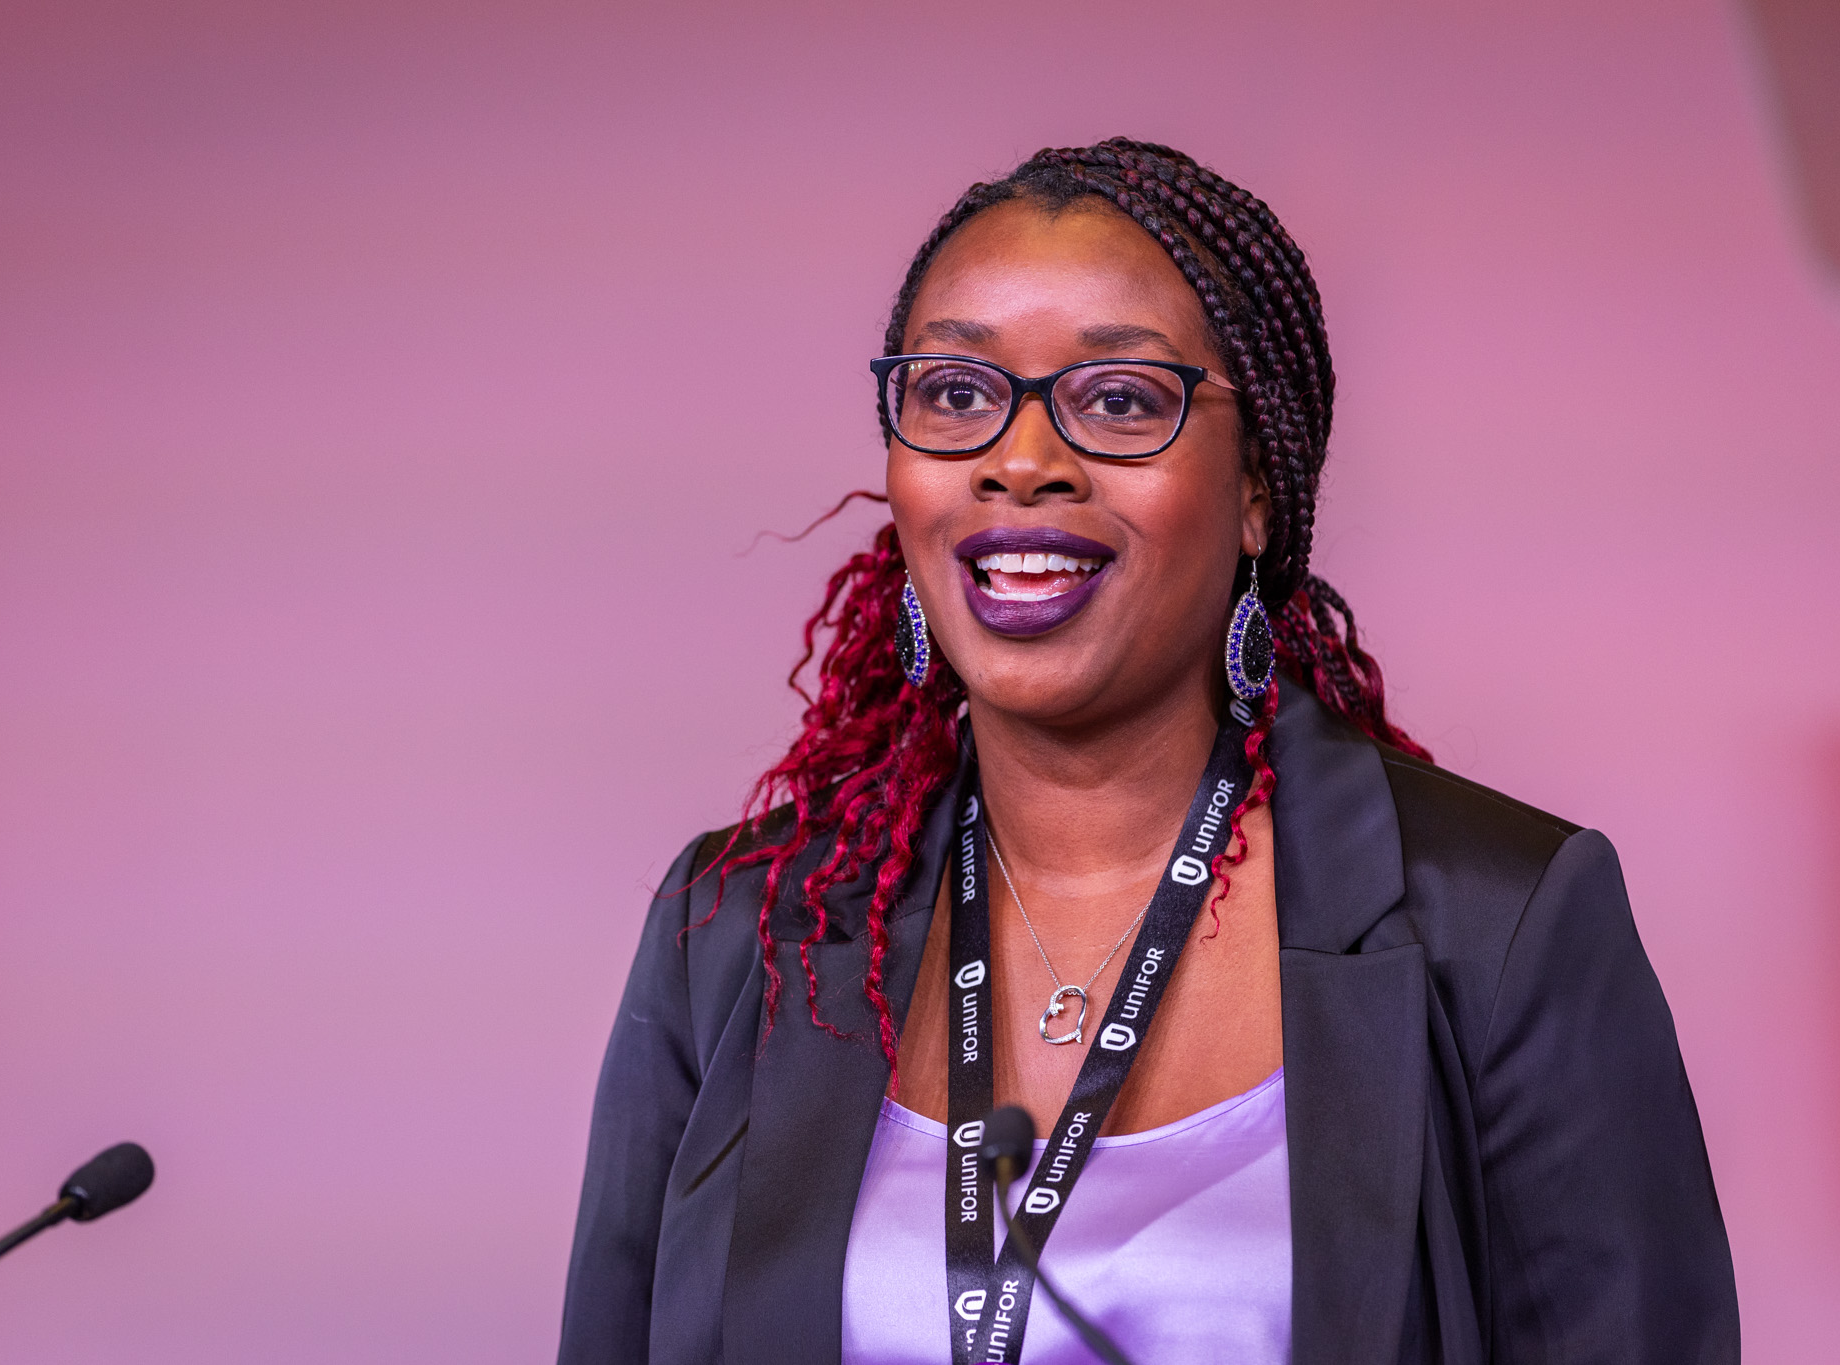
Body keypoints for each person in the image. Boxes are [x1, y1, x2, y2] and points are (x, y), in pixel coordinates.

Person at [558, 139, 1737, 1365]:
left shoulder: (1496, 926)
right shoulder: (738, 931)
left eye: (1118, 400)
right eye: (955, 394)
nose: (1020, 461)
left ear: (1254, 493)